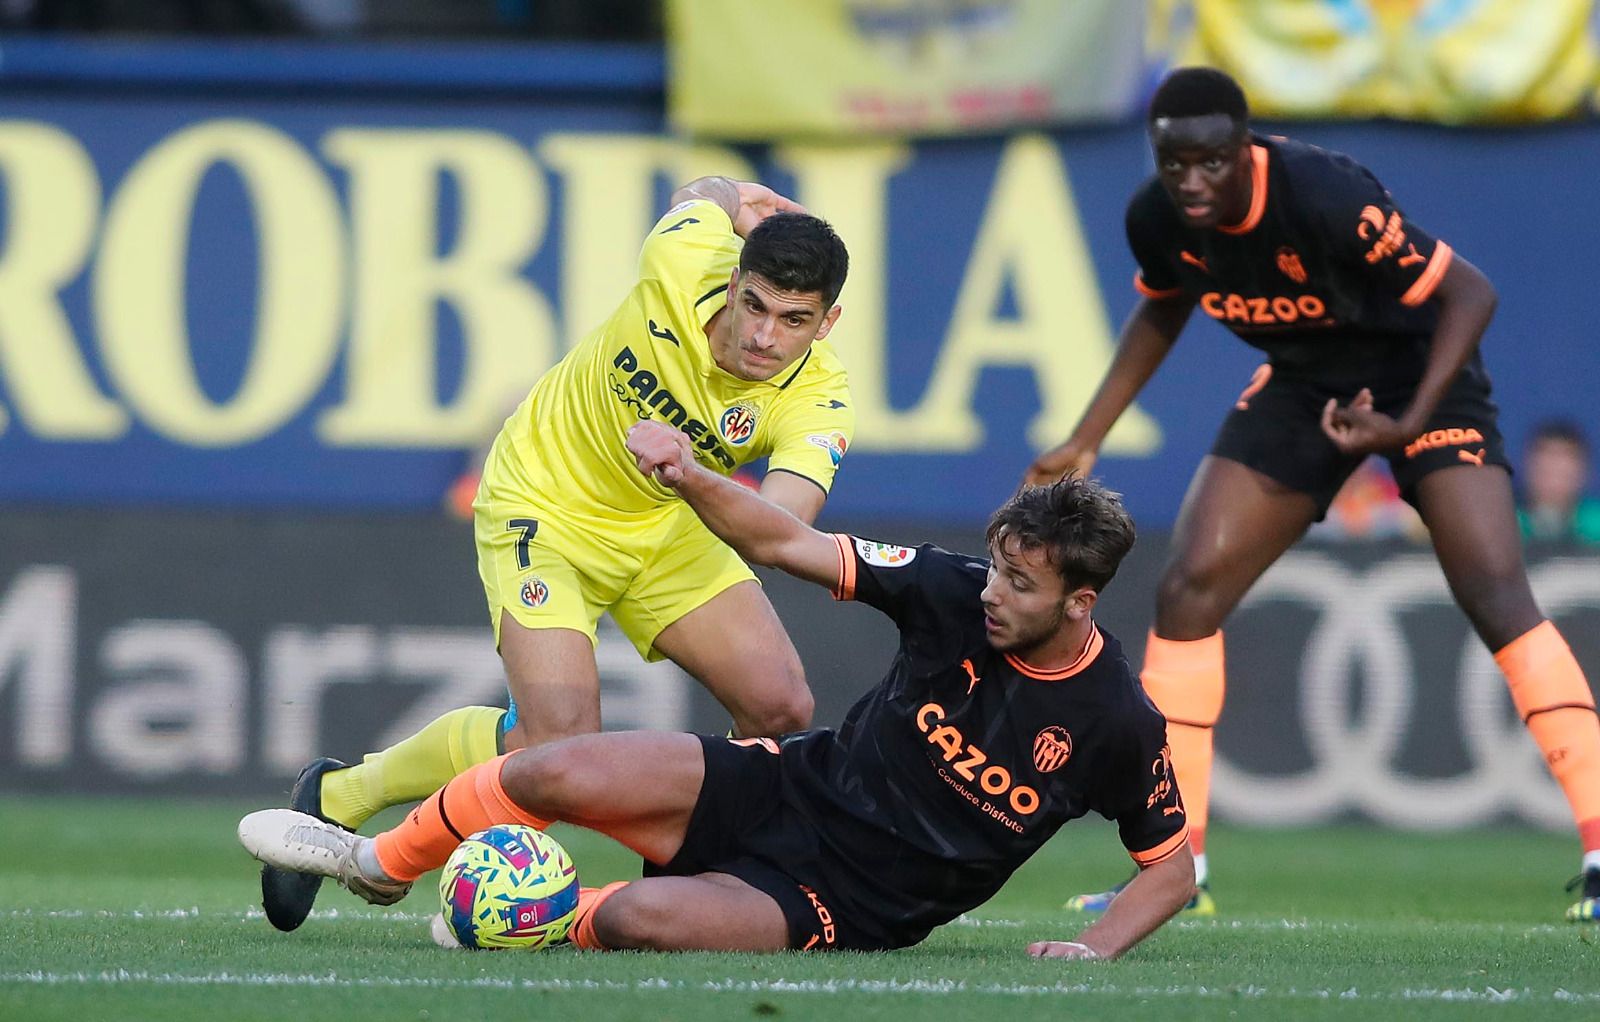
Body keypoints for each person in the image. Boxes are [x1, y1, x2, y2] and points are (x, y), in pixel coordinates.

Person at [1025, 67, 1600, 923]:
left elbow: (1469, 291)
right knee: (1188, 592)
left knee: (1493, 589)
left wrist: (1407, 421)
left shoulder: (1324, 194)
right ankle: (1178, 872)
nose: (1191, 181)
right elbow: (1161, 308)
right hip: (1304, 387)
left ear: (1246, 147)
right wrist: (1088, 433)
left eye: (1211, 162)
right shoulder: (1157, 217)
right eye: (1174, 162)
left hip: (1418, 381)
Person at [240, 452, 1196, 959]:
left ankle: (531, 918)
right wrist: (695, 480)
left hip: (842, 901)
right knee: (551, 764)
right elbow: (787, 545)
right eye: (997, 566)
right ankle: (372, 863)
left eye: (1020, 584)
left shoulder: (1116, 720)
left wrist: (1095, 949)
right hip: (786, 788)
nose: (994, 593)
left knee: (633, 925)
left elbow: (1170, 868)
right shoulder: (951, 591)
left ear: (1080, 602)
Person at [260, 177, 857, 931]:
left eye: (794, 320)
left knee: (781, 706)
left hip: (666, 522)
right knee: (560, 743)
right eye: (756, 306)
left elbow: (782, 527)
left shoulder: (820, 400)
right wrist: (732, 197)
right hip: (542, 500)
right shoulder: (679, 260)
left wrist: (689, 474)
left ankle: (710, 868)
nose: (765, 337)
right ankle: (346, 795)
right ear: (732, 282)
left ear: (827, 322)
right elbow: (696, 195)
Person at [1517, 419, 1600, 547]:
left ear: (1583, 472)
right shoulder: (1505, 522)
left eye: (1563, 473)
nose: (1553, 483)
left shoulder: (1596, 521)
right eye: (1546, 472)